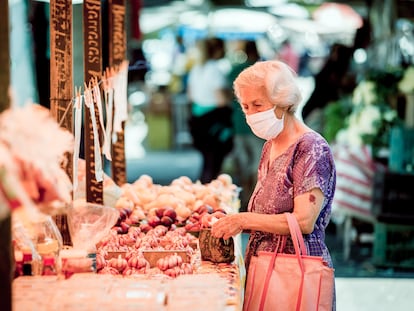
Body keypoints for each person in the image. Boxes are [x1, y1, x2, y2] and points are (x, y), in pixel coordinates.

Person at [210, 60, 337, 310]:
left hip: (294, 271)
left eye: (258, 105)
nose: (251, 114)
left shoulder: (311, 148)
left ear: (284, 102)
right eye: (245, 107)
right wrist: (231, 221)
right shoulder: (271, 144)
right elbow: (267, 212)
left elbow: (303, 222)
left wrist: (243, 220)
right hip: (265, 265)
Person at [187, 37, 233, 184]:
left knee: (207, 161)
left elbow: (190, 95)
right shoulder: (216, 70)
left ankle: (203, 191)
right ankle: (209, 194)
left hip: (197, 118)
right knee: (214, 163)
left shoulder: (196, 69)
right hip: (214, 121)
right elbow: (221, 99)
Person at [227, 40, 264, 211]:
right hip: (258, 127)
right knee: (258, 166)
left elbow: (227, 94)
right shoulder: (262, 73)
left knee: (243, 165)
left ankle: (245, 200)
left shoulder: (236, 70)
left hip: (239, 124)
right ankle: (254, 202)